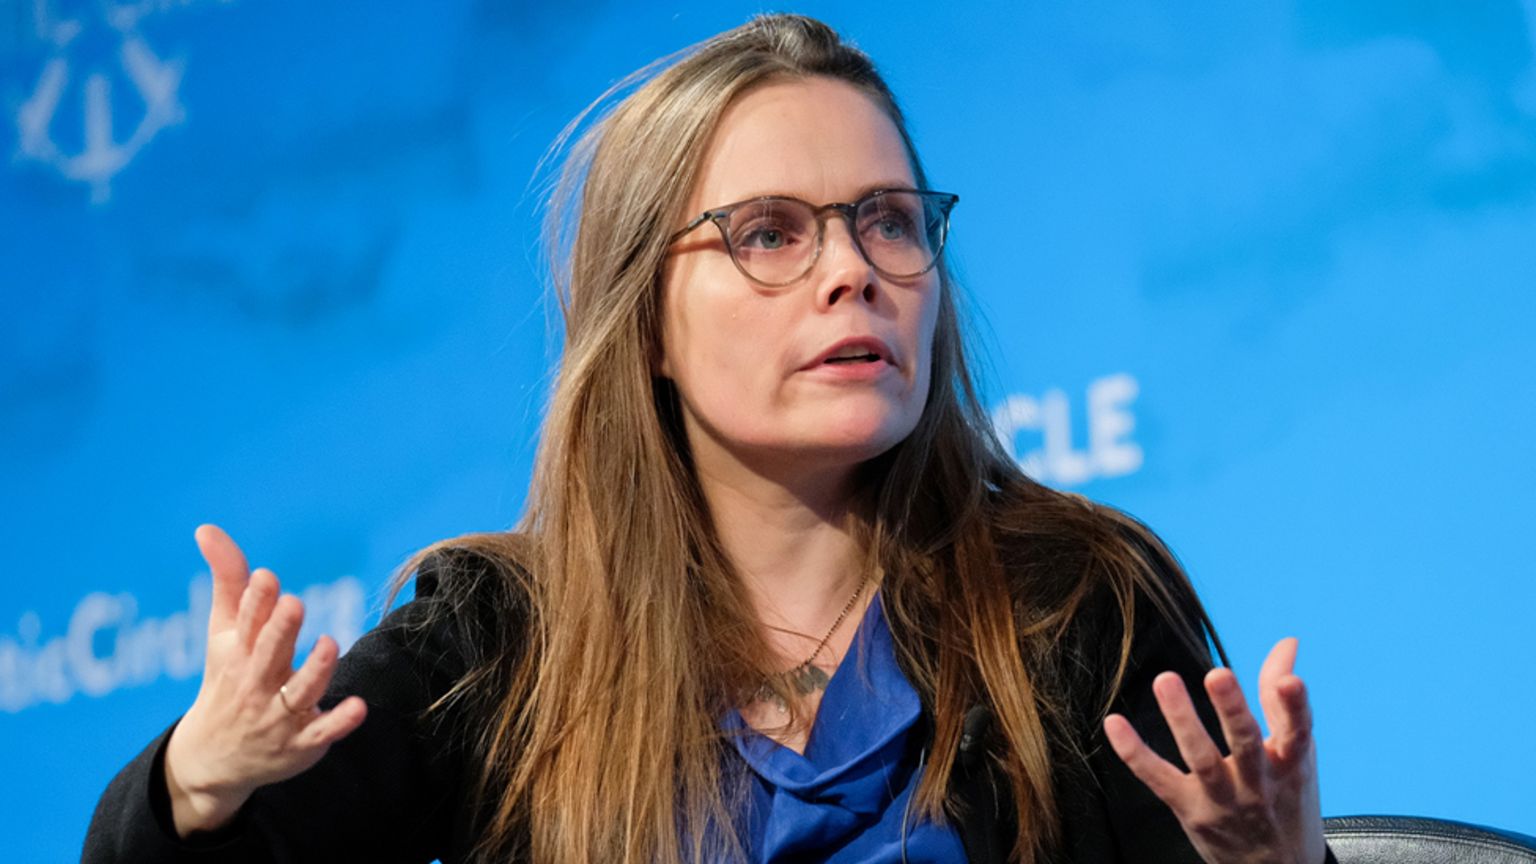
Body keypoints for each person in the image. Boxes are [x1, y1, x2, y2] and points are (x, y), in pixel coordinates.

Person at [84, 14, 1331, 864]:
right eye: (771, 233)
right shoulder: (498, 643)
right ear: (647, 327)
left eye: (889, 221)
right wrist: (198, 783)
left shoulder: (1071, 606)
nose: (851, 271)